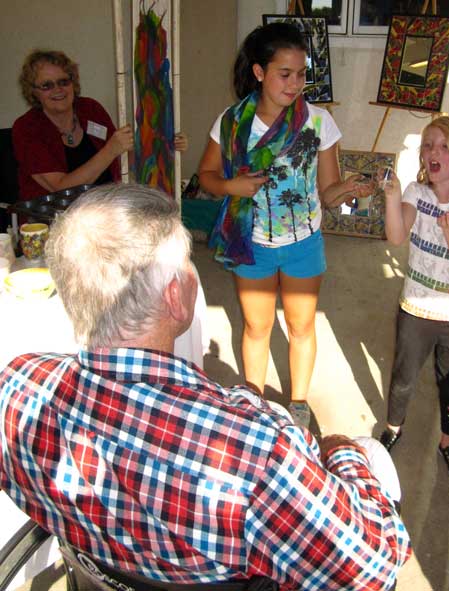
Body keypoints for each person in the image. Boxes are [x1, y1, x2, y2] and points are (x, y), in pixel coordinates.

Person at [0, 183, 410, 590]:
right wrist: (345, 453)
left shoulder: (17, 389)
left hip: (93, 572)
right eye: (189, 260)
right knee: (371, 456)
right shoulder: (258, 454)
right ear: (176, 297)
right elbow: (375, 567)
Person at [198, 23, 373, 428]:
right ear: (259, 72)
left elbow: (328, 192)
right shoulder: (232, 121)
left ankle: (297, 403)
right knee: (257, 327)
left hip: (304, 243)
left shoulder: (319, 122)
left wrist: (345, 190)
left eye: (301, 74)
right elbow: (206, 175)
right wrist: (232, 186)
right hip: (252, 242)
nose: (295, 84)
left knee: (301, 325)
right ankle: (254, 406)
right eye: (285, 74)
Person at [379, 116, 449, 485]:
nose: (433, 152)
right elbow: (397, 237)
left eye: (444, 146)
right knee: (403, 378)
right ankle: (393, 429)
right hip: (415, 305)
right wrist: (393, 197)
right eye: (428, 145)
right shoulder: (417, 190)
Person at [12, 49, 134, 200]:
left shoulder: (90, 108)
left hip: (107, 207)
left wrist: (165, 145)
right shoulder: (26, 127)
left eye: (63, 81)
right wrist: (110, 150)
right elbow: (61, 188)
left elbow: (122, 159)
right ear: (33, 92)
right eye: (46, 85)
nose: (58, 90)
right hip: (55, 218)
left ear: (73, 83)